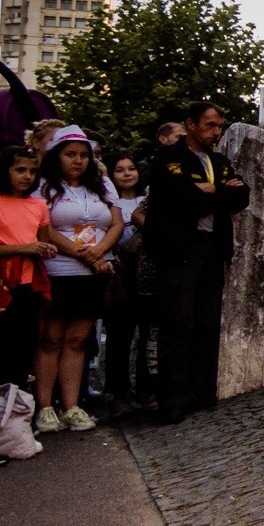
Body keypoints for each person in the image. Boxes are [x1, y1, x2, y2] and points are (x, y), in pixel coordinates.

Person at [141, 103, 251, 422]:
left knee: (206, 323)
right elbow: (180, 197)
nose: (216, 132)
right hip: (178, 251)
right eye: (210, 126)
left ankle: (201, 391)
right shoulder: (168, 158)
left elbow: (241, 196)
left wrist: (208, 189)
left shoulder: (218, 161)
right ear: (191, 125)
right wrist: (215, 192)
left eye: (219, 126)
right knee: (177, 323)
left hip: (212, 249)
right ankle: (171, 397)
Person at [32, 126, 120, 432]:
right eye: (70, 154)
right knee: (51, 339)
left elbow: (116, 223)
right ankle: (45, 407)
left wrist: (99, 253)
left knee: (77, 340)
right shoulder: (43, 186)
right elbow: (43, 228)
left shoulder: (102, 184)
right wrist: (82, 254)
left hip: (95, 271)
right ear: (57, 156)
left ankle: (71, 406)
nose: (78, 161)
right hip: (59, 269)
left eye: (83, 155)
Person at [0, 145, 57, 392]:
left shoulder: (38, 205)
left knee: (25, 344)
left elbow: (41, 242)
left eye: (32, 170)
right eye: (19, 170)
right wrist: (22, 248)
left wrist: (44, 249)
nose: (27, 176)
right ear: (5, 171)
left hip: (30, 283)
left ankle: (20, 410)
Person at [103, 152, 151, 411]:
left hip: (145, 270)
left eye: (131, 168)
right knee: (119, 334)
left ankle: (145, 389)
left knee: (147, 332)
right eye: (119, 170)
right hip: (119, 271)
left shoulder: (147, 200)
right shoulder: (107, 203)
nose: (127, 174)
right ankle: (118, 390)